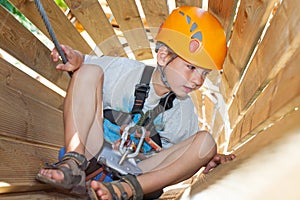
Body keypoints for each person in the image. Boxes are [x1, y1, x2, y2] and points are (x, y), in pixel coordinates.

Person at [36, 6, 235, 200]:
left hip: (136, 173)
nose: (198, 80)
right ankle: (72, 163)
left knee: (206, 142)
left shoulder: (183, 113)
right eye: (191, 67)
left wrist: (212, 156)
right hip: (92, 155)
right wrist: (76, 58)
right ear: (164, 56)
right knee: (88, 71)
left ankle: (124, 190)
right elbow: (85, 62)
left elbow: (185, 154)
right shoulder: (125, 72)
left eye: (204, 73)